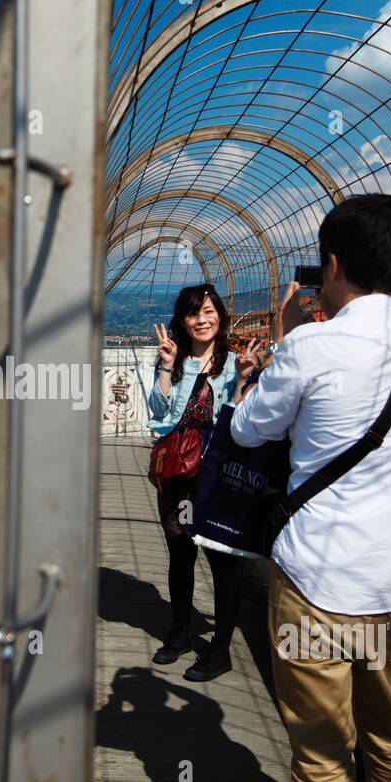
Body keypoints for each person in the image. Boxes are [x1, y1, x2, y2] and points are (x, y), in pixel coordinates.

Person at [229, 194, 391, 782]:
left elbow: (250, 431)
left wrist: (284, 341)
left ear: (330, 264)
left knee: (324, 753)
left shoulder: (309, 348)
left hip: (316, 583)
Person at [147, 283, 258, 681]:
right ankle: (181, 632)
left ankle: (221, 648)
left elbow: (244, 423)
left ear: (220, 316)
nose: (202, 319)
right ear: (183, 320)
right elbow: (158, 417)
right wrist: (164, 366)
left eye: (209, 311)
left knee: (222, 561)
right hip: (178, 472)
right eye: (195, 313)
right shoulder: (173, 359)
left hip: (217, 473)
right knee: (180, 553)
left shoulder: (233, 362)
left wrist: (244, 381)